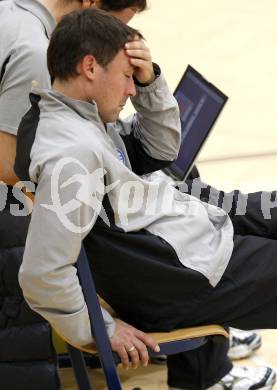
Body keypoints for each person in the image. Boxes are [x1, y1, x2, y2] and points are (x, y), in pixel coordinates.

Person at [16, 8, 277, 390]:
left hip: (181, 246)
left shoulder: (72, 118)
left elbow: (162, 150)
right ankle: (207, 374)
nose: (131, 90)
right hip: (179, 277)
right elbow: (41, 273)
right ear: (90, 67)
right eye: (127, 77)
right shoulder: (72, 156)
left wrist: (150, 85)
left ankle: (203, 376)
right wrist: (102, 329)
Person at [0, 1, 147, 389]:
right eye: (112, 26)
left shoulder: (11, 11)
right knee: (35, 243)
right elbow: (5, 165)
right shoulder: (33, 49)